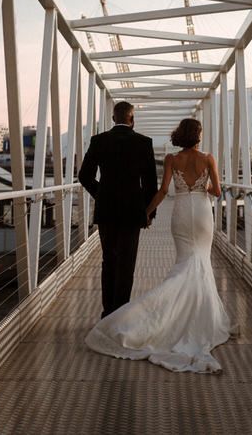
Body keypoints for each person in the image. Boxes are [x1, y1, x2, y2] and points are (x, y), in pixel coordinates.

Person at [84, 117, 238, 373]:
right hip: (201, 213)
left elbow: (163, 190)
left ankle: (151, 317)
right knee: (200, 262)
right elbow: (218, 191)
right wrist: (204, 186)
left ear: (180, 134)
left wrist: (147, 211)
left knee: (184, 263)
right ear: (198, 135)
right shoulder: (208, 158)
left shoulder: (171, 160)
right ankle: (201, 316)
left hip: (180, 214)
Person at [78, 101, 158, 319]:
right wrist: (148, 213)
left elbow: (84, 176)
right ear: (132, 120)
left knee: (109, 260)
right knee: (126, 262)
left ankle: (108, 311)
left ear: (113, 119)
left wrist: (101, 194)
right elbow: (151, 184)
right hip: (133, 211)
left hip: (107, 210)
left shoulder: (99, 141)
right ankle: (121, 314)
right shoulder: (144, 143)